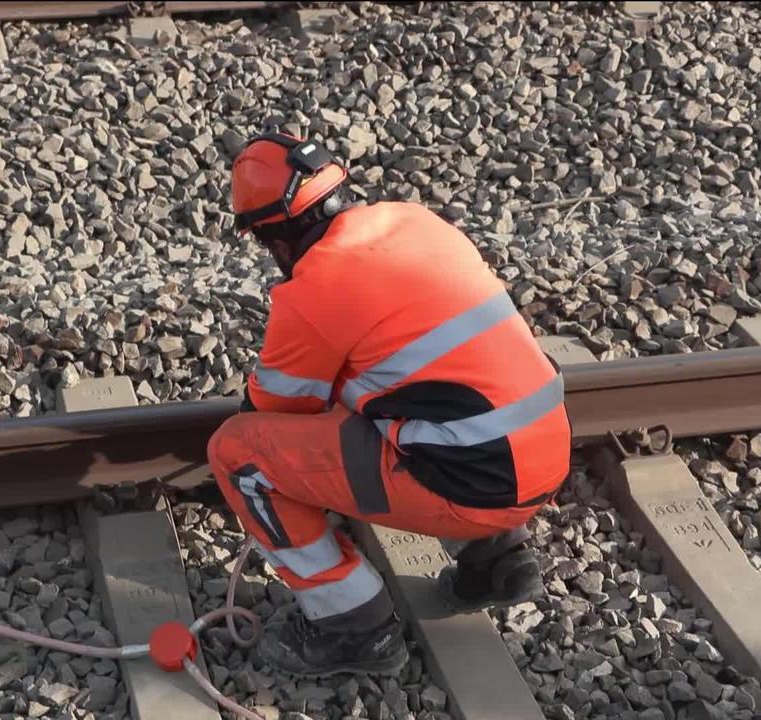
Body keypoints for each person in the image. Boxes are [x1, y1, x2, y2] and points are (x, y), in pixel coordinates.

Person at [206, 132, 572, 678]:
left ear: (274, 237)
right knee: (398, 389)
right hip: (545, 457)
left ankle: (351, 624)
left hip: (476, 488)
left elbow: (273, 412)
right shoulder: (416, 222)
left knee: (239, 455)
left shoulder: (315, 288)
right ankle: (497, 558)